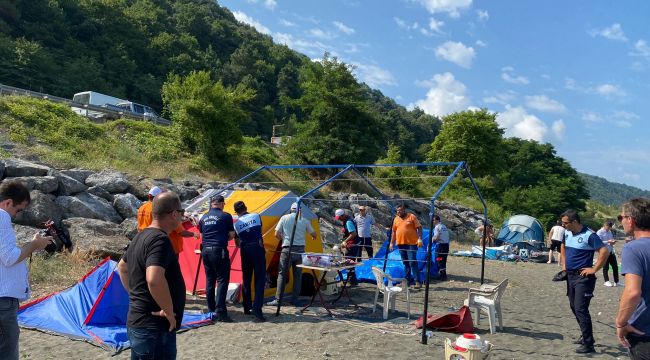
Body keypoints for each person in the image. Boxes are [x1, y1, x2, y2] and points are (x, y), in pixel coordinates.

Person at [117, 191, 186, 360]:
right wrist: (169, 311)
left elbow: (122, 267)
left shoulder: (140, 236)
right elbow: (154, 279)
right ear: (174, 214)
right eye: (182, 212)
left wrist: (136, 295)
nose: (182, 217)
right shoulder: (159, 240)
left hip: (140, 322)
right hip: (154, 328)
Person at [0, 181, 53, 360]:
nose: (16, 215)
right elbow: (9, 258)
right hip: (3, 299)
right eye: (19, 209)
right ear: (8, 203)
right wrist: (34, 245)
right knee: (7, 349)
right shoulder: (1, 216)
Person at [560, 209, 609, 354]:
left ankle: (589, 344)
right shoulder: (567, 232)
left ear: (574, 222)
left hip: (584, 278)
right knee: (574, 307)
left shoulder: (589, 235)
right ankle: (584, 335)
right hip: (570, 275)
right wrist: (563, 263)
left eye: (565, 223)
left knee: (581, 308)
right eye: (562, 223)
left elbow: (604, 251)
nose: (563, 226)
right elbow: (562, 246)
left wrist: (594, 269)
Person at [615, 198, 650, 359]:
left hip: (644, 331)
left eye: (621, 217)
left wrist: (621, 323)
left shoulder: (633, 248)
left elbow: (632, 292)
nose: (621, 221)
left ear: (631, 220)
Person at [267, 202, 316, 306]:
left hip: (287, 248)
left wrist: (283, 239)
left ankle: (278, 300)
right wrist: (312, 236)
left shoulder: (284, 218)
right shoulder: (305, 220)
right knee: (297, 275)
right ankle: (295, 300)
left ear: (291, 209)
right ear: (300, 210)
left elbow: (276, 234)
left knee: (282, 274)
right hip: (300, 250)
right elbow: (314, 234)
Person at [198, 195, 236, 322]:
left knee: (210, 280)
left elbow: (201, 235)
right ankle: (221, 312)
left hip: (205, 250)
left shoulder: (203, 217)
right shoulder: (225, 216)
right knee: (222, 280)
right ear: (221, 204)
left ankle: (211, 309)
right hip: (219, 250)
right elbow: (231, 235)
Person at [233, 201, 266, 322]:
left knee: (246, 278)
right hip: (257, 247)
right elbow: (259, 230)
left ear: (236, 212)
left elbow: (237, 244)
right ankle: (257, 309)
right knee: (260, 278)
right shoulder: (256, 216)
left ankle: (247, 307)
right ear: (246, 208)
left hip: (245, 249)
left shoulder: (236, 224)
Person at [389, 203, 423, 289]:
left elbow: (419, 227)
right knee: (405, 263)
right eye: (397, 211)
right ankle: (407, 282)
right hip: (401, 244)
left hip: (411, 243)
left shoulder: (411, 216)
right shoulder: (396, 219)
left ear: (404, 210)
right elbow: (393, 231)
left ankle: (418, 282)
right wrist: (391, 243)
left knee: (412, 262)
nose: (399, 212)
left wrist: (420, 238)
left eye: (400, 210)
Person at [335, 209, 358, 285]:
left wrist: (345, 241)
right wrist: (344, 230)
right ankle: (352, 280)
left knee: (349, 262)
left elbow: (353, 233)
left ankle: (351, 281)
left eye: (340, 218)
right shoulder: (348, 220)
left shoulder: (348, 222)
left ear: (343, 215)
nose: (339, 220)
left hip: (352, 244)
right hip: (352, 244)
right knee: (350, 262)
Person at [597, 221, 619, 287]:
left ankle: (616, 281)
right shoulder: (599, 232)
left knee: (615, 267)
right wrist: (608, 241)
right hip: (604, 252)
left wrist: (612, 242)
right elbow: (598, 242)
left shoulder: (609, 232)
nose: (608, 229)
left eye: (609, 227)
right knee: (605, 267)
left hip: (611, 251)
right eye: (607, 227)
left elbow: (611, 239)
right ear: (604, 225)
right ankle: (606, 281)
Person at [432, 215, 450, 281]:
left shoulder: (437, 227)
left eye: (433, 220)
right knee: (443, 260)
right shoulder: (444, 226)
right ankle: (443, 274)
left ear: (437, 220)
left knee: (439, 260)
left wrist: (433, 240)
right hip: (446, 245)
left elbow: (437, 237)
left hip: (440, 246)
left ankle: (443, 275)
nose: (432, 222)